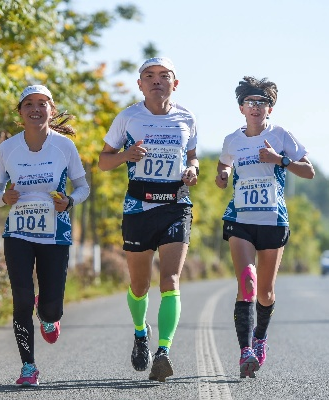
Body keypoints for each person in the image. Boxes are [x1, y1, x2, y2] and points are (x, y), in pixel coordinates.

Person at [98, 57, 199, 382]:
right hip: (139, 207)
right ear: (140, 84)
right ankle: (141, 332)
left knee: (169, 280)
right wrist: (125, 156)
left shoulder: (187, 117)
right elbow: (102, 162)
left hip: (176, 204)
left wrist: (192, 170)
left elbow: (193, 156)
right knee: (140, 286)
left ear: (175, 83)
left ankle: (163, 351)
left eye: (164, 76)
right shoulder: (128, 117)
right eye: (149, 76)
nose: (156, 80)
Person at [0, 84, 89, 386]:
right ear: (20, 113)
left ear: (51, 109)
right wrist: (3, 198)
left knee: (51, 305)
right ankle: (28, 367)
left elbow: (83, 187)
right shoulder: (7, 148)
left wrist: (70, 201)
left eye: (42, 103)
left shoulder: (64, 147)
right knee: (20, 299)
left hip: (55, 234)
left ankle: (48, 315)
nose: (35, 109)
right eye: (29, 104)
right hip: (18, 232)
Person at [215, 76, 315, 378]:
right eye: (250, 102)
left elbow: (309, 171)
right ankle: (245, 350)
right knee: (247, 281)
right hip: (240, 219)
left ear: (270, 108)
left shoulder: (282, 135)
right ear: (241, 108)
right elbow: (224, 164)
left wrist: (279, 159)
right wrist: (222, 174)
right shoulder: (232, 139)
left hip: (273, 220)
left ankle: (260, 338)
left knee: (266, 293)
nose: (256, 107)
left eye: (262, 103)